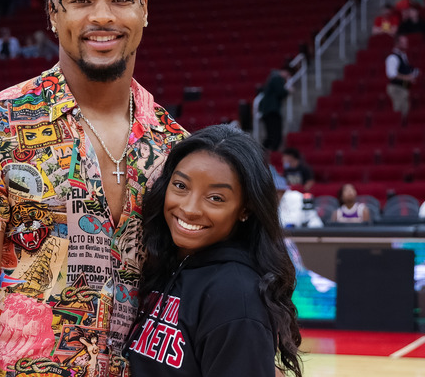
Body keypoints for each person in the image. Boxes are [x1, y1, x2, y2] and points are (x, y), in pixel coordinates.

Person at [0, 0, 188, 376]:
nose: (103, 16)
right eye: (81, 0)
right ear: (53, 13)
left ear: (144, 10)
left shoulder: (177, 148)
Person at [125, 124, 303, 377]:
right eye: (181, 186)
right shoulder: (168, 263)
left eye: (216, 198)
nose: (190, 208)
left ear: (245, 209)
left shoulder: (236, 296)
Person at [259, 64, 296, 151]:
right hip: (272, 110)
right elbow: (281, 92)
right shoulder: (277, 78)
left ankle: (264, 152)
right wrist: (288, 91)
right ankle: (268, 152)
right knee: (275, 135)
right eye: (288, 74)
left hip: (268, 110)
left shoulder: (272, 78)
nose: (287, 77)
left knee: (271, 135)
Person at [385, 34, 419, 117]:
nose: (406, 44)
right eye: (403, 42)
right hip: (397, 88)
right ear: (397, 44)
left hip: (404, 88)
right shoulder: (392, 57)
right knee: (400, 112)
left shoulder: (403, 56)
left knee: (405, 110)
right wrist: (408, 78)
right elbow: (392, 74)